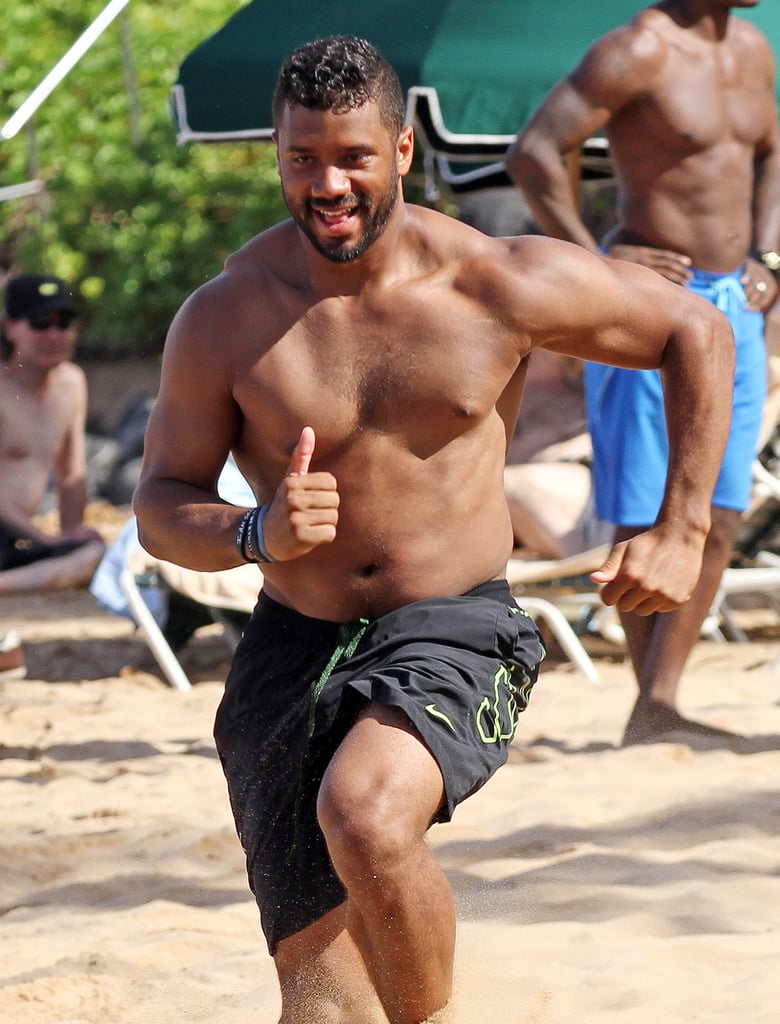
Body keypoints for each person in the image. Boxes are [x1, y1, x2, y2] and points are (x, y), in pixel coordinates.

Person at [134, 36, 735, 1024]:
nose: (326, 185)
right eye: (301, 159)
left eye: (352, 157)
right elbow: (161, 502)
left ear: (403, 152)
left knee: (363, 816)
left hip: (455, 626)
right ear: (277, 156)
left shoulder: (491, 284)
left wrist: (680, 524)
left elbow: (695, 330)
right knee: (321, 1002)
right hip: (290, 648)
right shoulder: (227, 318)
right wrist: (254, 532)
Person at [506, 0, 780, 746]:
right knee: (644, 506)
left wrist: (769, 254)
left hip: (737, 307)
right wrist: (594, 263)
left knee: (720, 507)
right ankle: (649, 703)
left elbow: (769, 154)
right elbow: (533, 151)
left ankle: (660, 699)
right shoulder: (637, 50)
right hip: (649, 310)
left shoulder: (755, 47)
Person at [0, 273, 105, 602]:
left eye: (65, 323)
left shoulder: (72, 382)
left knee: (93, 552)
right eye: (41, 323)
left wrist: (70, 533)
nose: (55, 334)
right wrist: (45, 541)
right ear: (10, 328)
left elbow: (72, 474)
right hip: (20, 532)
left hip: (18, 539)